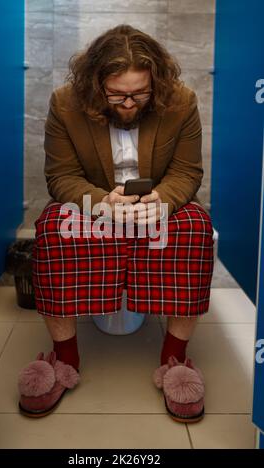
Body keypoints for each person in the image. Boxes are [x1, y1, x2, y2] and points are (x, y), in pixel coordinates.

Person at [18, 24, 214, 423]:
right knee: (54, 228)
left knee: (195, 227)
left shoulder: (181, 101)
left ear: (155, 82)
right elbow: (61, 176)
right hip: (96, 203)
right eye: (117, 94)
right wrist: (101, 202)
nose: (128, 103)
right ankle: (65, 358)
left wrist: (163, 199)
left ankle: (175, 357)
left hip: (156, 203)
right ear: (95, 84)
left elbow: (187, 171)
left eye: (140, 94)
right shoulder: (65, 103)